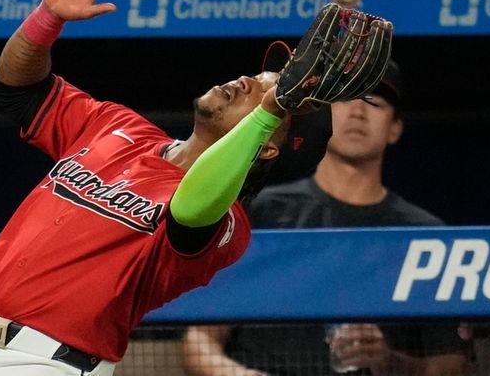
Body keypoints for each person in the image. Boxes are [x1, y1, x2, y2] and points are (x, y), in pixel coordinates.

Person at [0, 0, 390, 375]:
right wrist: (49, 18)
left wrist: (271, 110)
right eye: (260, 78)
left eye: (263, 95)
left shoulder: (227, 226)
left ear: (269, 144)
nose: (250, 82)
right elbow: (17, 89)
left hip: (41, 362)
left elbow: (191, 209)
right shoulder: (118, 127)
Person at [182, 61, 473, 376]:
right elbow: (199, 339)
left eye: (374, 102)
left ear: (395, 127)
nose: (358, 112)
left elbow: (451, 367)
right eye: (345, 98)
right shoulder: (261, 211)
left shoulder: (424, 235)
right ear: (322, 114)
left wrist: (387, 361)